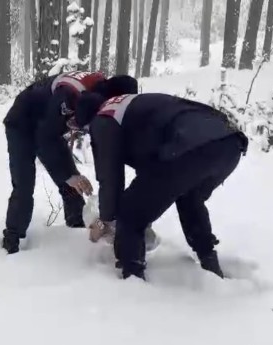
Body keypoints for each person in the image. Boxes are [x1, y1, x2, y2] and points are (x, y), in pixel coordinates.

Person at [74, 92, 249, 280]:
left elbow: (110, 178)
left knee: (130, 211)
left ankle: (132, 277)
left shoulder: (104, 118)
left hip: (188, 146)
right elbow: (152, 169)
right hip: (230, 143)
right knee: (190, 198)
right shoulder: (127, 105)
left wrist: (105, 220)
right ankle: (209, 262)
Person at [0, 70, 139, 254]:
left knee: (74, 184)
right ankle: (12, 240)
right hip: (21, 122)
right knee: (24, 185)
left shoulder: (99, 91)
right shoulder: (70, 92)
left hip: (49, 126)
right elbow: (44, 138)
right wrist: (68, 176)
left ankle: (76, 230)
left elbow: (99, 143)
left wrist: (78, 177)